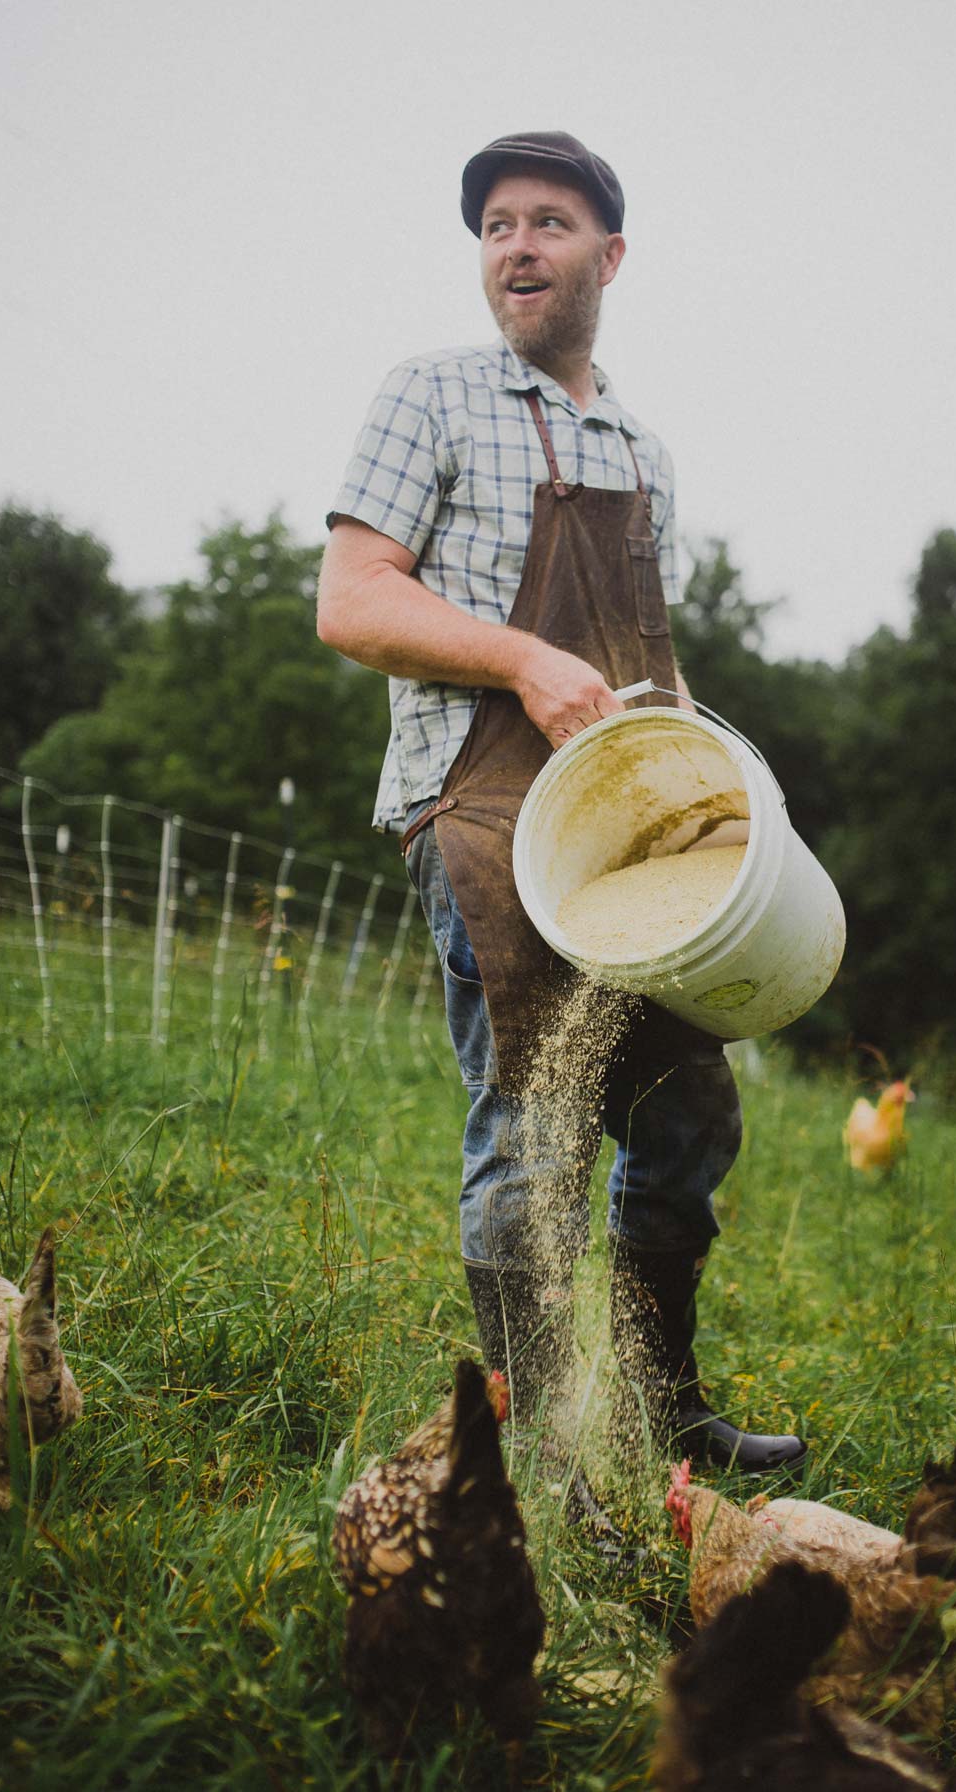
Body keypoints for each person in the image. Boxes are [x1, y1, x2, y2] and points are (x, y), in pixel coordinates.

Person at [317, 131, 805, 1488]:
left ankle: (660, 1410)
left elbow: (649, 662)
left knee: (689, 1113)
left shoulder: (643, 450)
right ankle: (544, 1453)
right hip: (480, 816)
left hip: (623, 837)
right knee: (533, 1121)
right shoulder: (430, 393)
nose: (515, 247)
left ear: (611, 254)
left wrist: (725, 795)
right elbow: (353, 601)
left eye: (547, 222)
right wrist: (525, 660)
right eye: (494, 227)